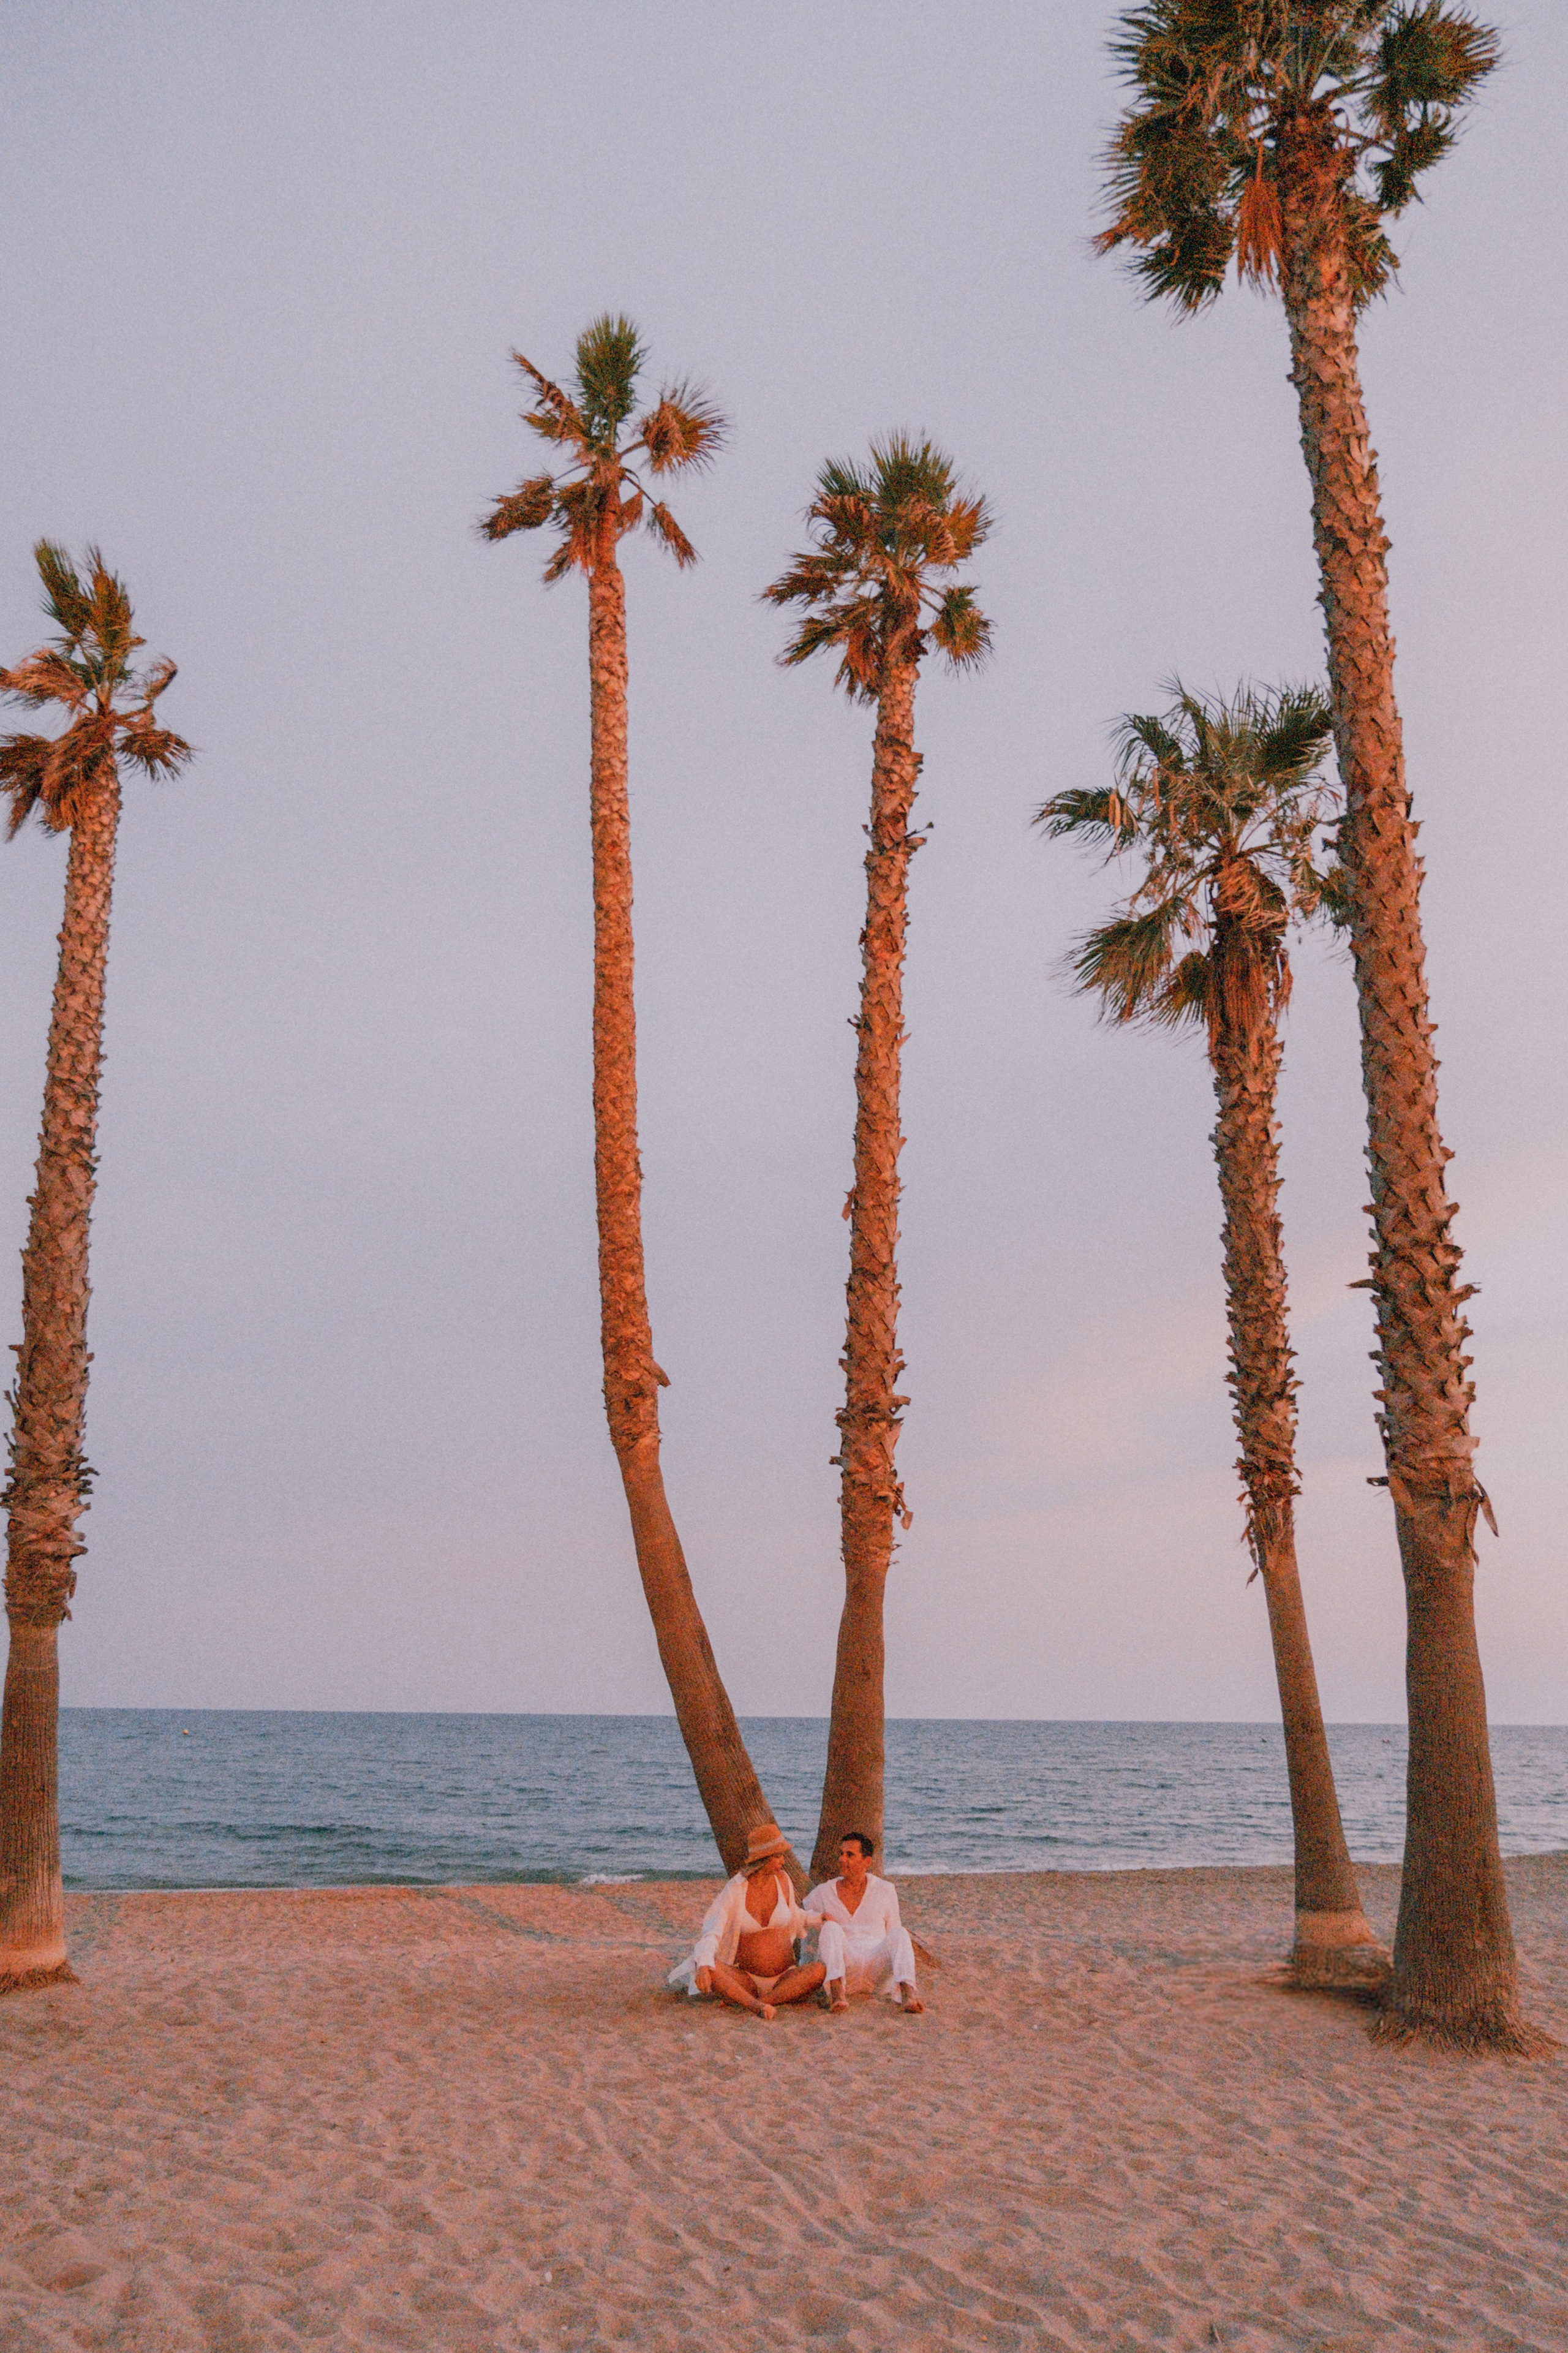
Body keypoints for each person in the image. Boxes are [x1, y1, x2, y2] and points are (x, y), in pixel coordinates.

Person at [667, 1822, 827, 2020]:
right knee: (707, 1966)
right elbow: (712, 1929)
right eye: (778, 1856)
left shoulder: (783, 1879)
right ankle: (756, 2004)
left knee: (819, 1970)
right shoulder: (736, 1888)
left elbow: (794, 1915)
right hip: (746, 1979)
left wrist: (819, 1918)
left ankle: (760, 2001)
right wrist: (703, 1964)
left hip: (785, 1977)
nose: (783, 1861)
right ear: (763, 1858)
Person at [807, 1832, 922, 2013]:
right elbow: (802, 1925)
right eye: (841, 1854)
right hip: (846, 1968)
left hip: (876, 1970)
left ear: (867, 1862)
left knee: (900, 1932)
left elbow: (894, 1936)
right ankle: (837, 1994)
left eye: (850, 1855)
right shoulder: (823, 1892)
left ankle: (908, 1995)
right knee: (830, 1927)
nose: (842, 1859)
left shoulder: (885, 1890)